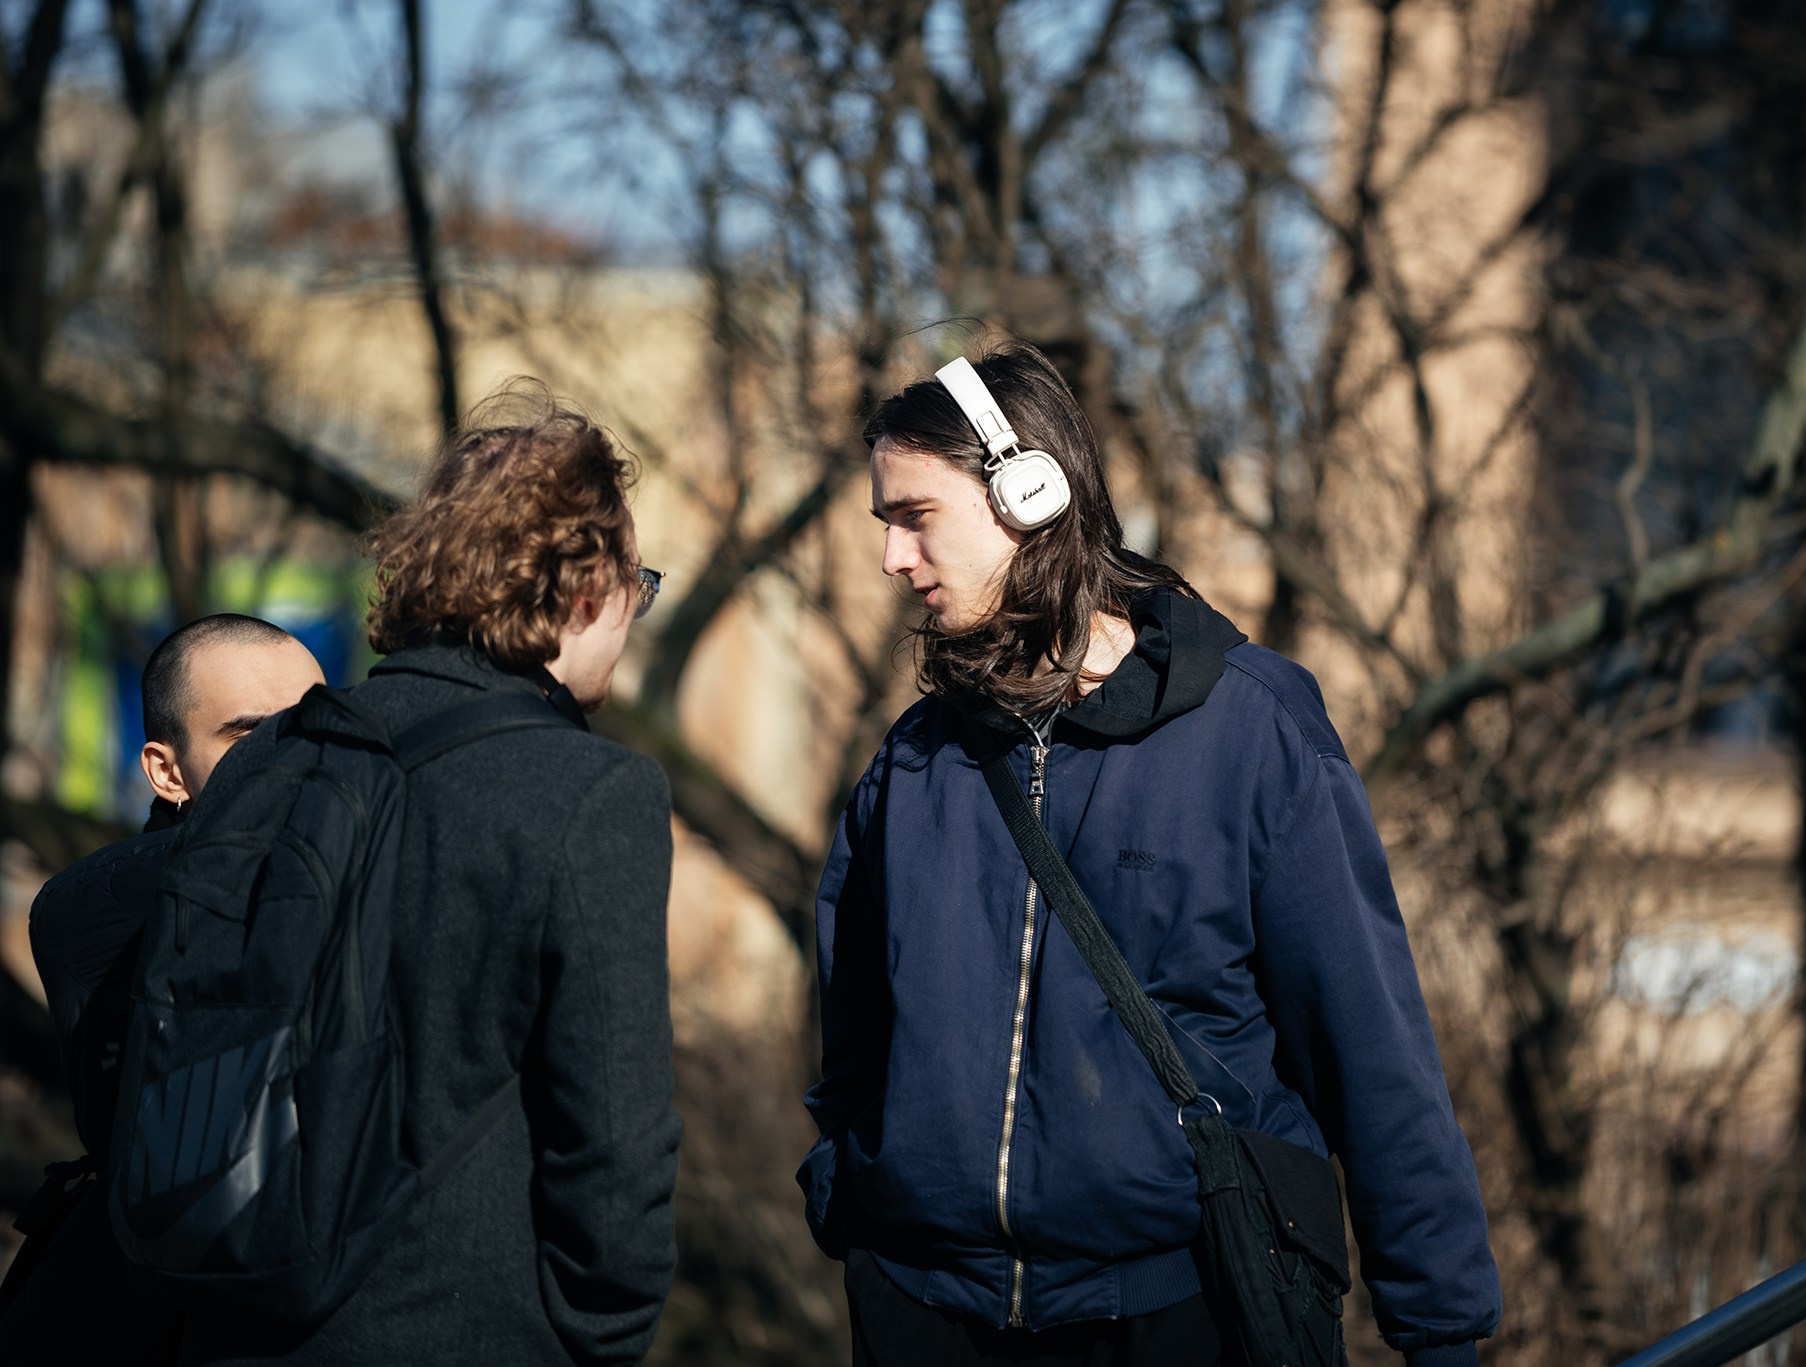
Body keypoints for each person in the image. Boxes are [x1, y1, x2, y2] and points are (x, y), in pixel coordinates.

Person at [802, 341, 1502, 1366]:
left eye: (915, 516)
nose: (891, 558)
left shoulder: (1251, 730)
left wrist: (1439, 1331)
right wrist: (853, 1195)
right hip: (925, 1310)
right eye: (884, 523)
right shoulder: (911, 763)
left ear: (1030, 494)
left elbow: (1369, 1044)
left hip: (1179, 1311)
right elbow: (854, 1034)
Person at [151, 386, 682, 1366]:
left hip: (241, 1308)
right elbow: (615, 1137)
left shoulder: (277, 754)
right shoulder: (592, 792)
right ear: (582, 590)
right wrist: (599, 1335)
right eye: (632, 587)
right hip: (468, 1327)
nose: (630, 615)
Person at [2, 614, 325, 1361]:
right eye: (253, 737)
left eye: (321, 730)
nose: (303, 761)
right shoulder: (102, 908)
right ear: (167, 771)